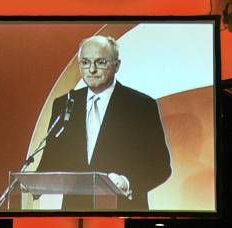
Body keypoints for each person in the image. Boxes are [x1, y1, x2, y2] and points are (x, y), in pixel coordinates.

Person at [37, 35, 171, 211]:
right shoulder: (65, 103)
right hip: (75, 213)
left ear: (117, 65)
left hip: (124, 211)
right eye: (85, 62)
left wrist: (127, 182)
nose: (91, 69)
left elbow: (160, 166)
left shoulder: (141, 106)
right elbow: (51, 159)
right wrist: (34, 181)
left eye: (100, 62)